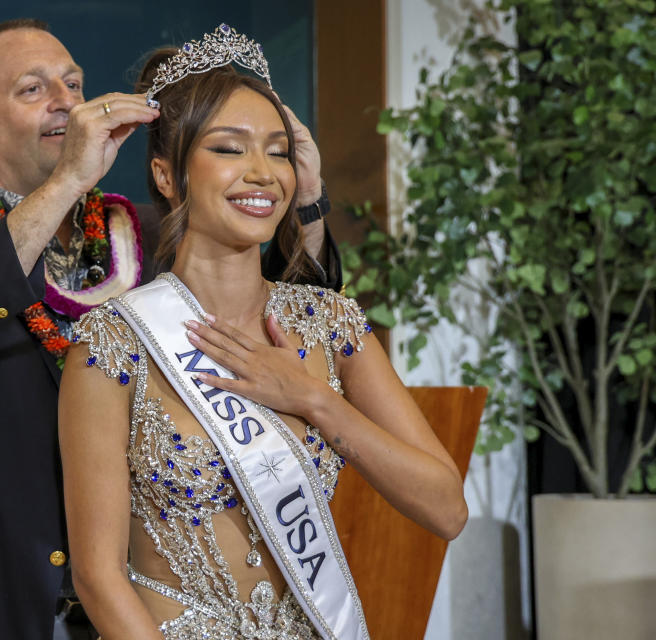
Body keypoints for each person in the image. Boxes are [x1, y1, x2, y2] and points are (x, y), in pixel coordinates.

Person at [0, 18, 341, 640]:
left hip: (123, 592)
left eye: (73, 84)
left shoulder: (145, 236)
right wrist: (66, 181)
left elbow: (303, 325)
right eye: (32, 90)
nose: (64, 101)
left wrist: (310, 196)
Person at [59, 25, 468, 640]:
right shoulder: (114, 344)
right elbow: (97, 576)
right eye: (229, 149)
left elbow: (446, 508)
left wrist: (312, 399)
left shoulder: (330, 325)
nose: (261, 173)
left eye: (277, 151)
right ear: (168, 175)